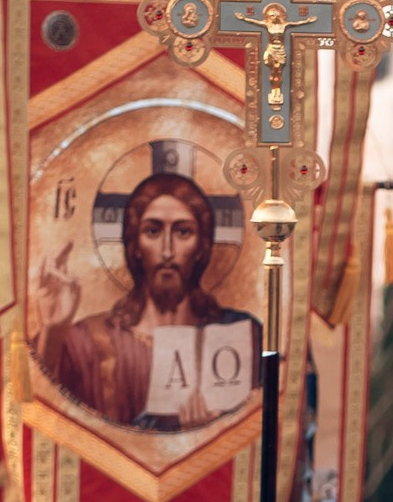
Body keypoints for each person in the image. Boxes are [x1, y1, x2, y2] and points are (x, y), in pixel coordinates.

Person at [33, 171, 257, 432]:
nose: (167, 251)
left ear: (201, 247)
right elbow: (33, 414)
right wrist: (52, 329)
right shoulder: (86, 341)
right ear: (135, 245)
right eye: (152, 231)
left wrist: (214, 433)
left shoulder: (239, 335)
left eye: (183, 232)